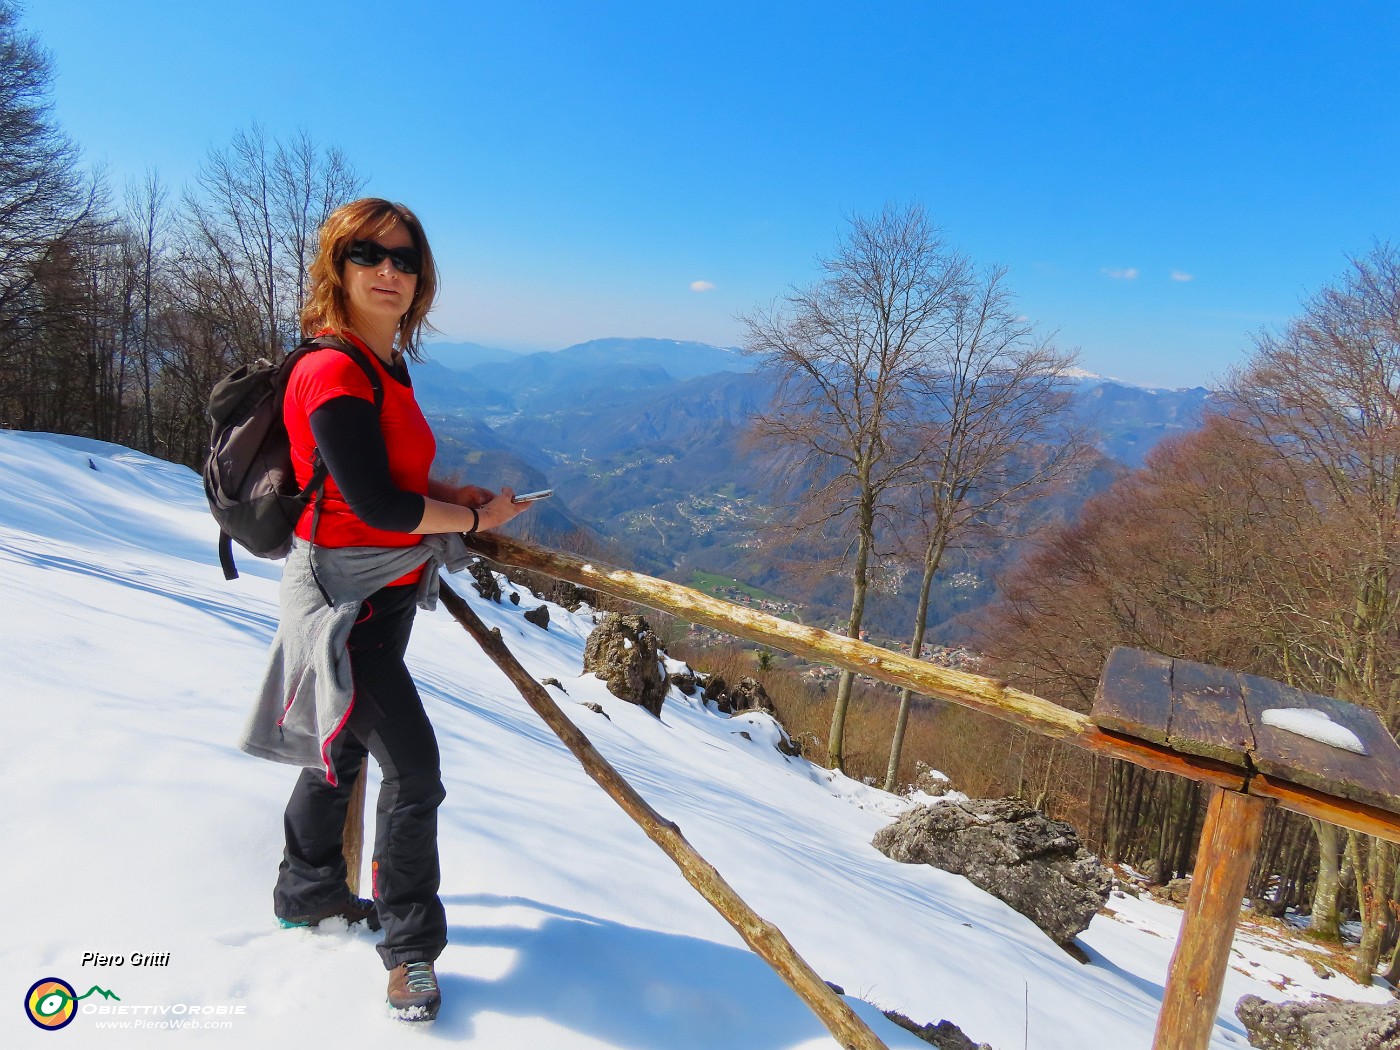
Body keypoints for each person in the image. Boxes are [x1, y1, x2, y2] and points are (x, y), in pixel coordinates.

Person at [253, 198, 530, 1022]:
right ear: (336, 266)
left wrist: (452, 495)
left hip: (382, 588)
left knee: (339, 744)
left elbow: (387, 480)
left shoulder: (387, 367)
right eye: (368, 254)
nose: (389, 270)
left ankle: (306, 890)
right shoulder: (332, 370)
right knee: (414, 771)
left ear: (422, 279)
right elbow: (375, 503)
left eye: (405, 259)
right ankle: (410, 952)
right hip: (343, 599)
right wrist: (473, 523)